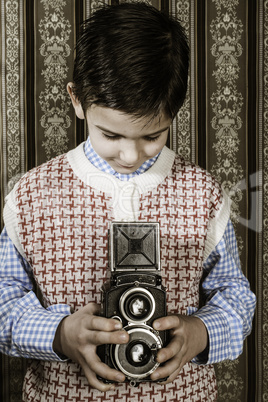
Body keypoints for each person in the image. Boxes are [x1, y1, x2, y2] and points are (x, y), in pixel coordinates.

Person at [0, 2, 256, 401]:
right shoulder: (30, 197)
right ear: (77, 100)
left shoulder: (202, 193)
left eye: (153, 135)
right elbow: (4, 303)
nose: (132, 155)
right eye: (112, 136)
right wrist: (60, 334)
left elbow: (235, 295)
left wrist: (201, 331)